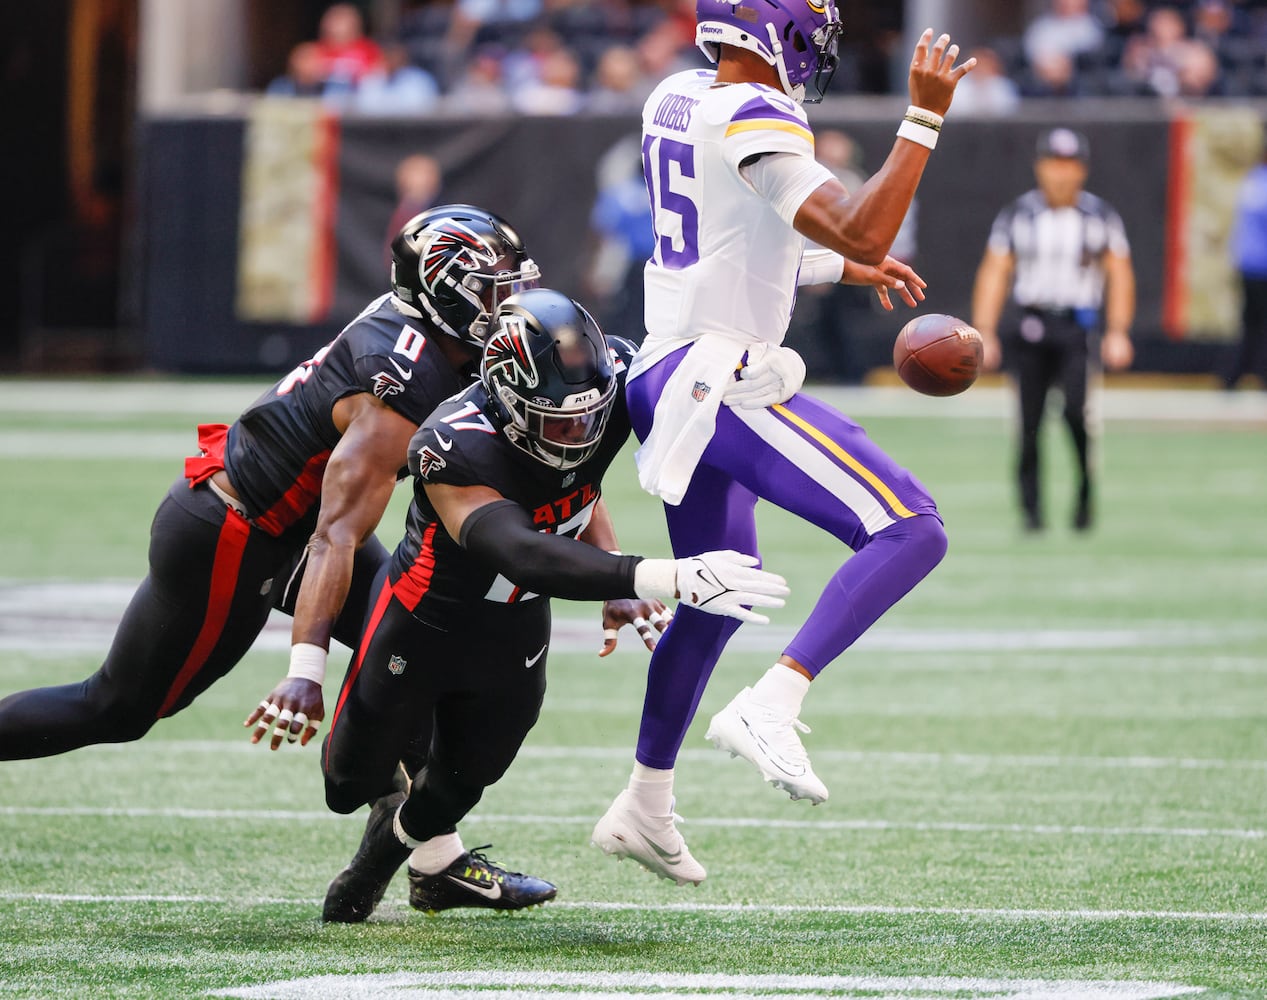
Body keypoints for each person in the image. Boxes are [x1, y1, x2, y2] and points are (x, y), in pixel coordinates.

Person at [588, 0, 974, 886]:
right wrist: (922, 116)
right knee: (911, 526)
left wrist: (840, 264)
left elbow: (731, 242)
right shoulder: (753, 111)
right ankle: (776, 698)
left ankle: (643, 802)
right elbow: (866, 221)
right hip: (718, 377)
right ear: (776, 31)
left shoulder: (674, 98)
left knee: (716, 595)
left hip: (666, 368)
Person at [0, 205, 542, 761]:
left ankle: (427, 846)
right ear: (442, 294)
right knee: (117, 708)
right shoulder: (398, 388)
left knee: (416, 657)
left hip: (300, 523)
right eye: (491, 290)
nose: (508, 303)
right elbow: (336, 535)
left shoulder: (439, 338)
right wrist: (306, 670)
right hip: (236, 530)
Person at [319, 288, 789, 922]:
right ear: (509, 402)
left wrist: (770, 364)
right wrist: (660, 576)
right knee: (345, 784)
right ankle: (399, 792)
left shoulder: (613, 381)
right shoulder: (453, 441)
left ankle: (386, 858)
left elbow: (583, 485)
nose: (580, 432)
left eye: (589, 416)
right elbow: (518, 550)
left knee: (465, 779)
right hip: (424, 618)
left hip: (513, 626)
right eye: (559, 421)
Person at [971, 128, 1135, 533]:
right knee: (1028, 424)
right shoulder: (1019, 215)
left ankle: (1084, 497)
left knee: (1078, 416)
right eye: (1054, 163)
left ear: (1082, 170)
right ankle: (1031, 512)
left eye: (1069, 164)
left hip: (1076, 327)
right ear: (1040, 166)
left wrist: (1117, 330)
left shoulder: (1099, 216)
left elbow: (1119, 273)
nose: (1061, 174)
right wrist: (984, 331)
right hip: (1031, 325)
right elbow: (995, 272)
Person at [1227, 134, 1267, 390]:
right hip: (1261, 265)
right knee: (1258, 324)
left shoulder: (1252, 179)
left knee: (1250, 324)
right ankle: (1246, 374)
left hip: (1246, 263)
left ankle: (1233, 376)